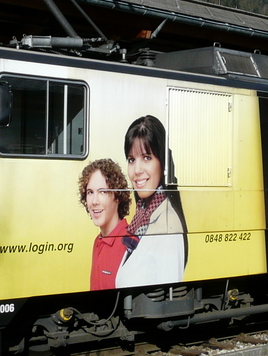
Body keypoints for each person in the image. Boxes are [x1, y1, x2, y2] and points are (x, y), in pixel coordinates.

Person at [117, 115, 188, 287]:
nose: (137, 170)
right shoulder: (142, 217)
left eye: (147, 157)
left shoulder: (168, 225)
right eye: (131, 160)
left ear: (162, 163)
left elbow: (167, 300)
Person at [77, 159, 134, 291]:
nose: (94, 201)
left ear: (118, 197)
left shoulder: (130, 244)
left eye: (103, 192)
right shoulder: (98, 241)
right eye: (90, 192)